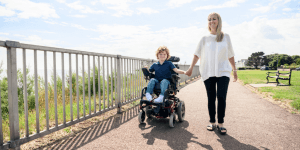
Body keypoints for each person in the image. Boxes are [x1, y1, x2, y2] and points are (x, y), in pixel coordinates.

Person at [185, 12, 238, 135]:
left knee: (221, 97)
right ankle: (212, 122)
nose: (211, 21)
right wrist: (190, 68)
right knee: (211, 98)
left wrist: (234, 70)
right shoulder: (204, 38)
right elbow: (196, 54)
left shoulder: (226, 37)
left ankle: (220, 124)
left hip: (223, 72)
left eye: (214, 19)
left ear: (218, 21)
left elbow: (230, 55)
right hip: (208, 72)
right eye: (209, 19)